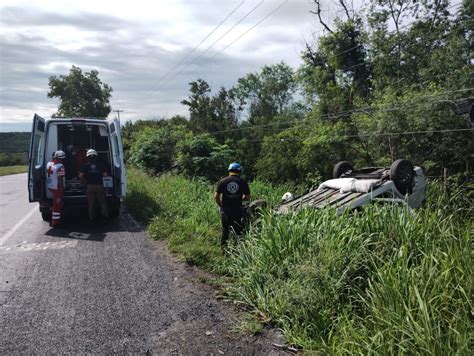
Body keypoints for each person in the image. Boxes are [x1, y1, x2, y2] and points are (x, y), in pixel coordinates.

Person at [215, 162, 250, 252]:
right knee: (238, 231)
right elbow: (247, 197)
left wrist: (220, 205)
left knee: (225, 230)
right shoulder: (243, 182)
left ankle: (224, 251)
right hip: (237, 210)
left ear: (229, 170)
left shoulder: (223, 181)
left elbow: (216, 196)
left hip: (225, 210)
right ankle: (237, 251)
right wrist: (241, 198)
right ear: (239, 171)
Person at [79, 149, 109, 222]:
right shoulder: (101, 164)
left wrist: (85, 181)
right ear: (96, 156)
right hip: (99, 186)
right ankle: (105, 217)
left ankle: (91, 219)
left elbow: (80, 176)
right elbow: (105, 175)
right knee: (102, 203)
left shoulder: (85, 166)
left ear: (88, 157)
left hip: (90, 187)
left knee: (91, 204)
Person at [46, 150, 66, 227]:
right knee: (57, 205)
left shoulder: (49, 163)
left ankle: (55, 219)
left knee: (56, 204)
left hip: (50, 186)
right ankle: (55, 223)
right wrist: (62, 188)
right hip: (57, 187)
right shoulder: (60, 166)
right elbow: (60, 178)